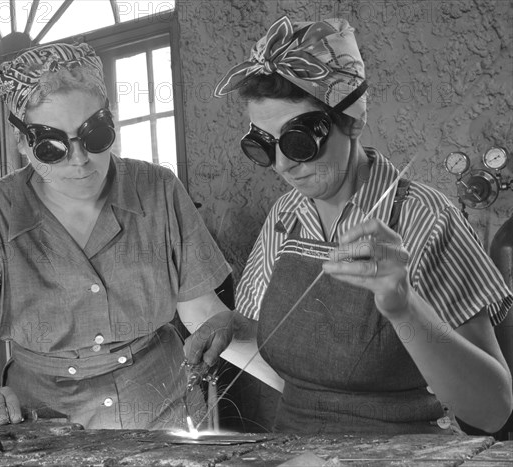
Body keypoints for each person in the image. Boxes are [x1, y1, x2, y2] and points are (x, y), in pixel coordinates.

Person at [185, 17, 513, 435]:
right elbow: (292, 341)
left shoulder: (423, 217)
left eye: (298, 141)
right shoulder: (287, 215)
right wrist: (232, 326)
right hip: (298, 450)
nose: (283, 166)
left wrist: (403, 305)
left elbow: (494, 409)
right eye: (263, 146)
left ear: (352, 120)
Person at [0, 42, 233, 430]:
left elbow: (203, 314)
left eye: (96, 134)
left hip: (161, 412)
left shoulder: (158, 189)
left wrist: (285, 370)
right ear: (22, 143)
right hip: (46, 427)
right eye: (52, 146)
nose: (80, 159)